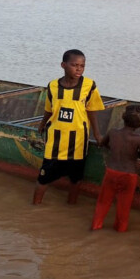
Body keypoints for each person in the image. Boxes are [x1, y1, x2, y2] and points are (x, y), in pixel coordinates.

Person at [32, 49, 104, 205]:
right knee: (44, 177)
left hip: (78, 140)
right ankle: (35, 206)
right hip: (55, 141)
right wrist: (42, 124)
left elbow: (92, 110)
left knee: (75, 179)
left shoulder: (89, 85)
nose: (79, 69)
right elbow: (49, 109)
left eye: (82, 66)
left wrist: (97, 134)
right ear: (63, 65)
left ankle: (71, 203)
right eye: (74, 65)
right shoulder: (52, 86)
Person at [91, 104, 140, 232]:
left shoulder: (113, 132)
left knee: (103, 203)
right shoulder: (138, 139)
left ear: (123, 117)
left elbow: (102, 143)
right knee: (124, 205)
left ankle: (95, 226)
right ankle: (120, 230)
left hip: (111, 173)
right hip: (129, 176)